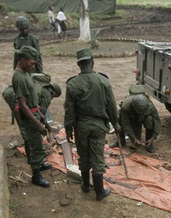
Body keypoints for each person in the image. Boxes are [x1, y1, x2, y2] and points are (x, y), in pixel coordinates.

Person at [64, 48, 121, 201]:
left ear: (79, 65)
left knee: (83, 156)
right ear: (92, 62)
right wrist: (116, 124)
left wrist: (68, 129)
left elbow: (69, 111)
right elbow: (111, 106)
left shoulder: (72, 84)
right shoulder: (103, 81)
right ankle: (99, 191)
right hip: (98, 126)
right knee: (97, 157)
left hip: (81, 127)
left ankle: (85, 185)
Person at [12, 46, 52, 188]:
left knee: (37, 142)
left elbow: (31, 101)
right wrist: (37, 124)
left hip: (34, 113)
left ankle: (40, 164)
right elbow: (23, 105)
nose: (34, 65)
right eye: (32, 62)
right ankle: (36, 175)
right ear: (23, 60)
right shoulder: (19, 77)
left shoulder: (25, 73)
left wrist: (41, 115)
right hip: (28, 118)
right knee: (35, 146)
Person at [109, 86, 161, 153]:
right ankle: (121, 140)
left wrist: (152, 138)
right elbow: (126, 124)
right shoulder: (126, 106)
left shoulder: (150, 106)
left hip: (143, 118)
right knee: (119, 118)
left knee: (150, 119)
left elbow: (157, 122)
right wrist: (133, 139)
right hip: (132, 117)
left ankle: (149, 143)